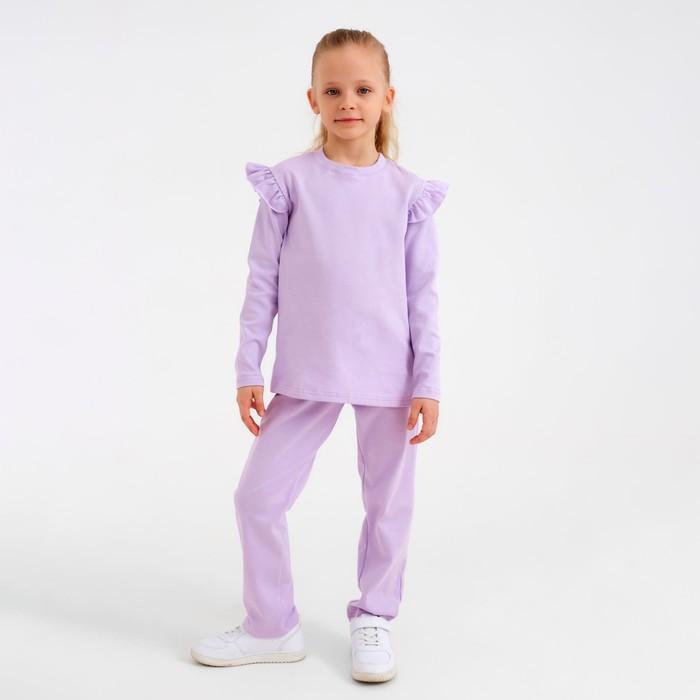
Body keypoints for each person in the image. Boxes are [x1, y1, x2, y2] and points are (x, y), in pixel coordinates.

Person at [191, 27, 449, 683]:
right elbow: (262, 282)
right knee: (257, 498)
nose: (347, 102)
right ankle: (271, 625)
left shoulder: (407, 195)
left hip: (390, 378)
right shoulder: (289, 185)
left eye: (362, 89)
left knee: (388, 505)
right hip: (306, 374)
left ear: (387, 97)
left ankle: (375, 616)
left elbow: (423, 297)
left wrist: (428, 381)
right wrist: (248, 366)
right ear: (313, 98)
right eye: (333, 90)